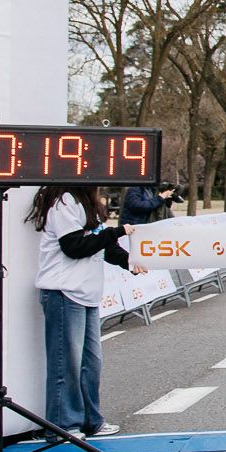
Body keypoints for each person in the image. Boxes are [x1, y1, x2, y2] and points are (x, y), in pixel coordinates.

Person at [29, 184, 143, 438]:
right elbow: (74, 245)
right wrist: (116, 232)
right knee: (66, 363)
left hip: (87, 294)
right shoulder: (64, 201)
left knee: (91, 363)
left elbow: (103, 245)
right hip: (63, 291)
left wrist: (130, 261)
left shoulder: (88, 202)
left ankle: (91, 420)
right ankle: (63, 425)